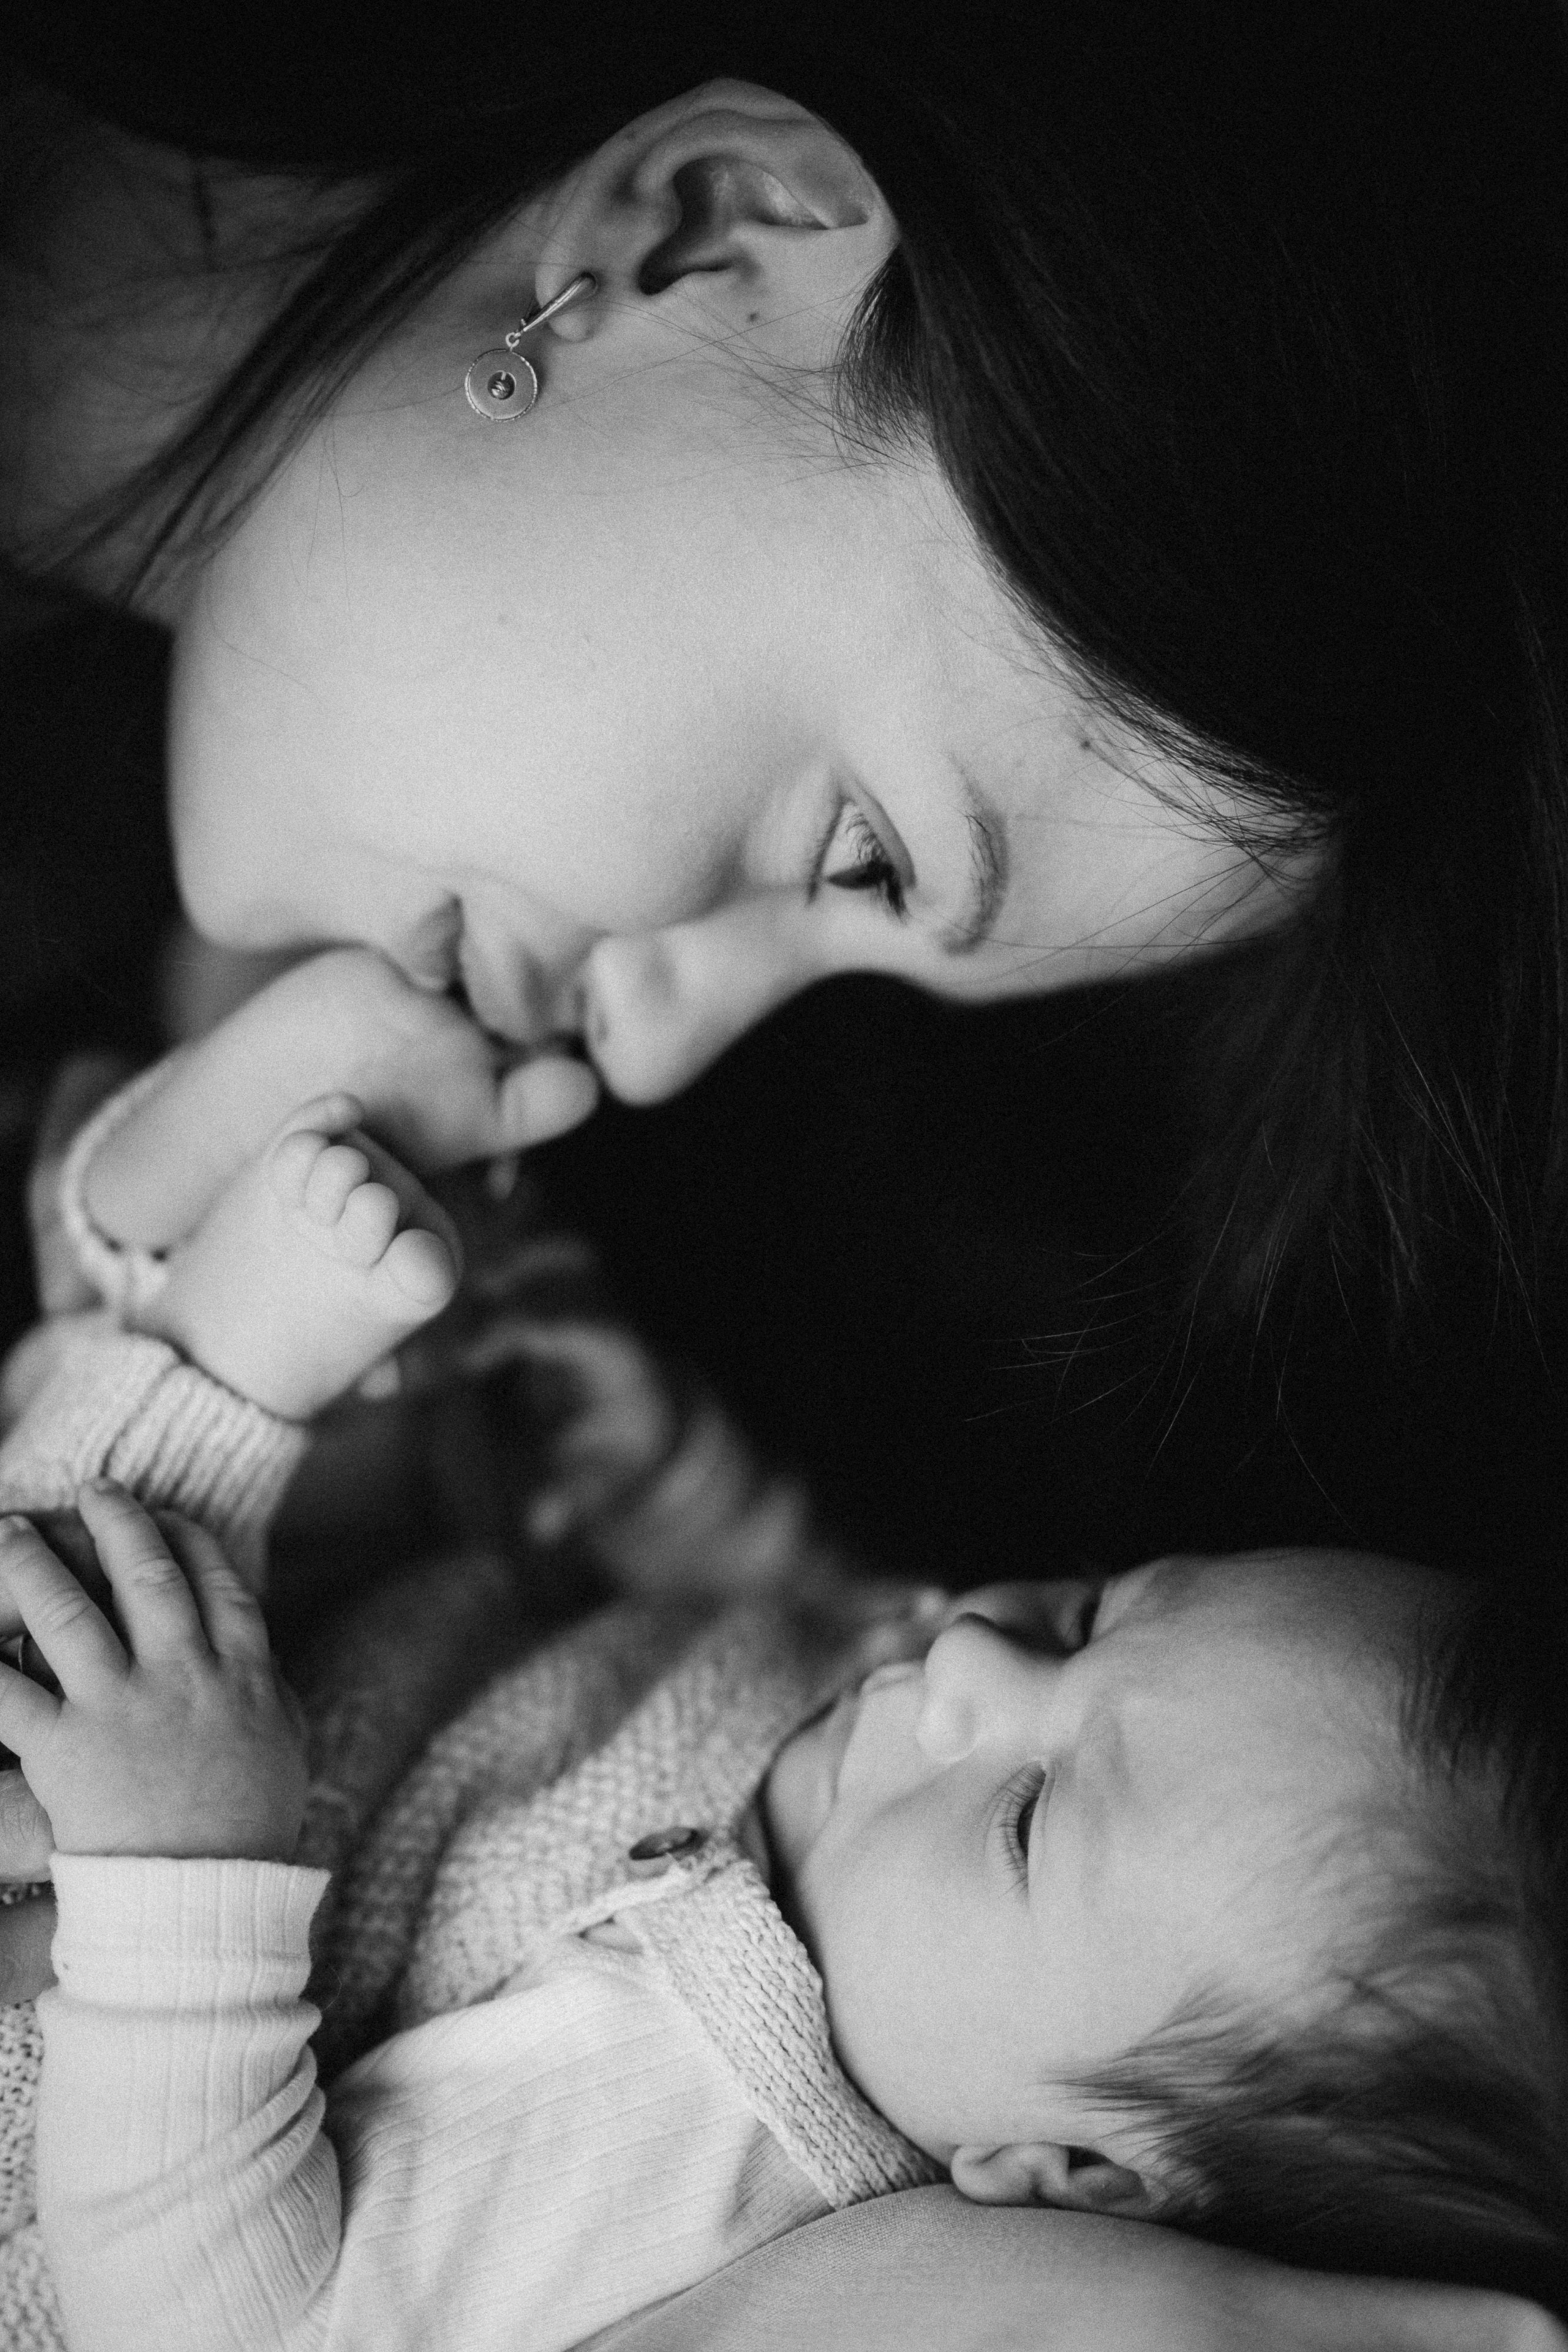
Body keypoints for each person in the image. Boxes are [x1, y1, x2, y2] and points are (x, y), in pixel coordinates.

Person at [0, 946, 1556, 2352]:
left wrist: (180, 1877)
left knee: (81, 1636)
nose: (974, 1664)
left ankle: (207, 1354)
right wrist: (667, 1481)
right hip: (392, 1643)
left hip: (116, 1962)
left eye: (1028, 1817)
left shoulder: (688, 2132)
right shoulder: (909, 1830)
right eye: (1096, 1609)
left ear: (1069, 2175)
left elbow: (226, 2325)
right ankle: (195, 1283)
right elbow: (794, 1606)